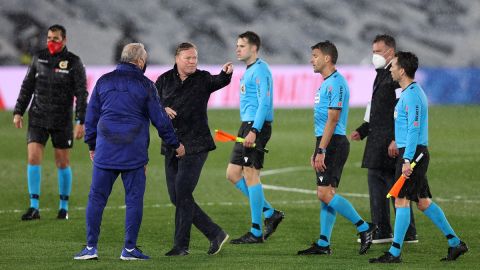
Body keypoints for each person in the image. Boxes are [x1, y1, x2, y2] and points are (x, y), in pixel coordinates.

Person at [74, 43, 185, 260]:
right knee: (134, 199)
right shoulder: (145, 85)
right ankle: (129, 249)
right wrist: (175, 144)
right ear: (140, 61)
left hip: (105, 150)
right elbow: (160, 120)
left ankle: (90, 248)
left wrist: (92, 145)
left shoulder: (103, 81)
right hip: (133, 153)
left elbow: (91, 117)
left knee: (96, 198)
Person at [369, 52, 468, 263]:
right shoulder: (407, 93)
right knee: (423, 202)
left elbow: (414, 130)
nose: (391, 69)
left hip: (413, 155)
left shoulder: (412, 95)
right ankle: (455, 243)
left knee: (401, 200)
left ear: (402, 70)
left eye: (393, 65)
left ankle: (394, 253)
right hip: (412, 152)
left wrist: (407, 160)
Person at [297, 40, 376, 256]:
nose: (311, 60)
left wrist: (321, 149)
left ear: (327, 58)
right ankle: (324, 243)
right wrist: (318, 147)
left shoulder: (337, 83)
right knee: (327, 193)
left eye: (315, 55)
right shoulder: (326, 83)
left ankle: (364, 227)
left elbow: (333, 119)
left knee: (324, 194)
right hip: (326, 141)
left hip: (333, 143)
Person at [155, 42, 233, 256]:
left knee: (182, 192)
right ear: (177, 58)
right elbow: (151, 104)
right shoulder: (163, 80)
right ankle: (214, 234)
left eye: (195, 58)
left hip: (195, 145)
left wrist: (226, 74)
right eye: (188, 58)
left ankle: (183, 245)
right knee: (177, 197)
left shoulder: (203, 78)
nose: (192, 62)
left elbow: (219, 81)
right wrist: (162, 108)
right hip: (171, 145)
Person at [13, 24, 87, 220]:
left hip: (61, 120)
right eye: (48, 38)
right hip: (37, 117)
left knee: (62, 162)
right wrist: (19, 111)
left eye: (55, 39)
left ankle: (63, 207)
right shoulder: (39, 58)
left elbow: (81, 93)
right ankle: (34, 207)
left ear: (64, 40)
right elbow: (27, 86)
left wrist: (81, 120)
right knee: (33, 158)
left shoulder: (74, 62)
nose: (51, 42)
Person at [350, 34, 417, 244]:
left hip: (389, 141)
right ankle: (386, 230)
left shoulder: (396, 76)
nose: (374, 55)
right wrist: (363, 130)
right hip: (378, 139)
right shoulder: (382, 74)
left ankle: (401, 232)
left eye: (377, 51)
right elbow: (376, 109)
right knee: (378, 183)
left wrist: (397, 139)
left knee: (393, 186)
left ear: (390, 52)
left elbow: (402, 110)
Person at [227, 31, 284, 244]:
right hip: (247, 125)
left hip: (255, 127)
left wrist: (255, 130)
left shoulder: (261, 70)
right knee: (233, 173)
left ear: (253, 48)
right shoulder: (249, 70)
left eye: (242, 45)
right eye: (237, 45)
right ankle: (270, 213)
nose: (238, 49)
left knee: (251, 175)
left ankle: (256, 230)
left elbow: (264, 104)